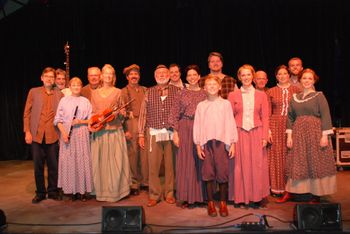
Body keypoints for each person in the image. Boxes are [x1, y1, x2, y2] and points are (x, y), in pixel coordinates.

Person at [277, 68, 337, 203]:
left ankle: (316, 194)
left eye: (310, 78)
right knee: (297, 161)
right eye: (304, 78)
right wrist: (290, 136)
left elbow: (326, 116)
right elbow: (290, 118)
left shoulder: (319, 96)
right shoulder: (295, 98)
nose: (307, 81)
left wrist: (324, 136)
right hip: (299, 134)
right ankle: (292, 191)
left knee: (315, 161)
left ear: (314, 80)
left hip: (315, 133)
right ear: (300, 80)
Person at [193, 74, 237, 217]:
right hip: (206, 143)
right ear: (204, 88)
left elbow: (230, 123)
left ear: (219, 87)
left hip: (221, 142)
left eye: (214, 84)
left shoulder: (225, 104)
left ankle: (223, 203)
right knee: (208, 173)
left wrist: (232, 143)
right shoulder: (201, 106)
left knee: (223, 173)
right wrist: (198, 145)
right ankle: (211, 203)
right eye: (208, 85)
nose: (211, 87)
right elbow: (198, 125)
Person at [228, 64, 270, 209]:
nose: (246, 77)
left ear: (253, 76)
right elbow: (229, 118)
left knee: (257, 165)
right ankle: (240, 197)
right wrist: (230, 138)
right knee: (239, 165)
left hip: (256, 132)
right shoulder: (232, 95)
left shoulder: (261, 95)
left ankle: (257, 196)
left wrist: (264, 136)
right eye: (243, 75)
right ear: (239, 78)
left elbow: (265, 117)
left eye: (248, 75)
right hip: (239, 132)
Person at [138, 64, 180, 207]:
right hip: (154, 133)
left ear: (168, 75)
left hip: (170, 133)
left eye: (164, 73)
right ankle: (154, 194)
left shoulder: (177, 90)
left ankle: (169, 193)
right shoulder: (149, 92)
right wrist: (140, 134)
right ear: (155, 76)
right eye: (159, 73)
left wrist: (178, 132)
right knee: (153, 166)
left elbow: (180, 113)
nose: (162, 75)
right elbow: (143, 114)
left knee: (170, 165)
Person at [88, 64, 131, 202]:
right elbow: (93, 112)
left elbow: (123, 114)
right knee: (100, 163)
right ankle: (101, 191)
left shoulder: (118, 92)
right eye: (106, 73)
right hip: (100, 132)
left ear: (113, 77)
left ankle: (115, 192)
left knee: (115, 163)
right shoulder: (94, 93)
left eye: (110, 74)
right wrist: (97, 118)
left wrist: (120, 113)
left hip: (114, 131)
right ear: (101, 76)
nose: (108, 76)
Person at [168, 65, 207, 208]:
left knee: (200, 162)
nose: (191, 77)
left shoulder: (205, 93)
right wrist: (176, 134)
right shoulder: (181, 93)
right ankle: (185, 196)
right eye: (189, 75)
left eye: (194, 74)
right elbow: (174, 114)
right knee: (185, 163)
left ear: (199, 76)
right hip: (184, 128)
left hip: (201, 129)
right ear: (186, 77)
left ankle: (200, 196)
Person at [23, 67, 63, 203]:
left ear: (54, 80)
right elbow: (27, 113)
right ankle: (40, 192)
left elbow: (63, 114)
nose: (49, 79)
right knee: (38, 166)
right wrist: (27, 131)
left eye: (51, 77)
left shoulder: (59, 94)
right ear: (42, 78)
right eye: (46, 76)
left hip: (53, 135)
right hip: (36, 135)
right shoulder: (33, 92)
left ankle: (53, 191)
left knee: (53, 166)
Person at [54, 77, 93, 201]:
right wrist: (64, 133)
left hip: (81, 133)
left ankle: (81, 191)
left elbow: (91, 119)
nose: (76, 87)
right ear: (69, 87)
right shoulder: (64, 100)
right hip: (67, 133)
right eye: (73, 85)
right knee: (69, 161)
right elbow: (57, 120)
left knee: (81, 161)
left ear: (81, 87)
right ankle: (70, 190)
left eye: (78, 85)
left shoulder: (85, 101)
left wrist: (81, 121)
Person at [266, 65, 301, 197]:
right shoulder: (270, 91)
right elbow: (267, 112)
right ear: (276, 76)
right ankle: (277, 188)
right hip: (275, 125)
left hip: (293, 125)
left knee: (291, 155)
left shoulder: (296, 90)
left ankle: (293, 189)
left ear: (289, 75)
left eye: (284, 74)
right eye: (279, 74)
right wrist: (268, 130)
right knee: (277, 156)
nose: (282, 76)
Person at [121, 64, 148, 196]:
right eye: (131, 74)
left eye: (136, 74)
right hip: (131, 123)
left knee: (144, 153)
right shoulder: (123, 91)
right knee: (133, 154)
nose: (134, 76)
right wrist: (125, 129)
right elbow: (121, 111)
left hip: (144, 124)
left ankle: (145, 181)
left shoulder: (145, 90)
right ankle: (134, 183)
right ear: (127, 77)